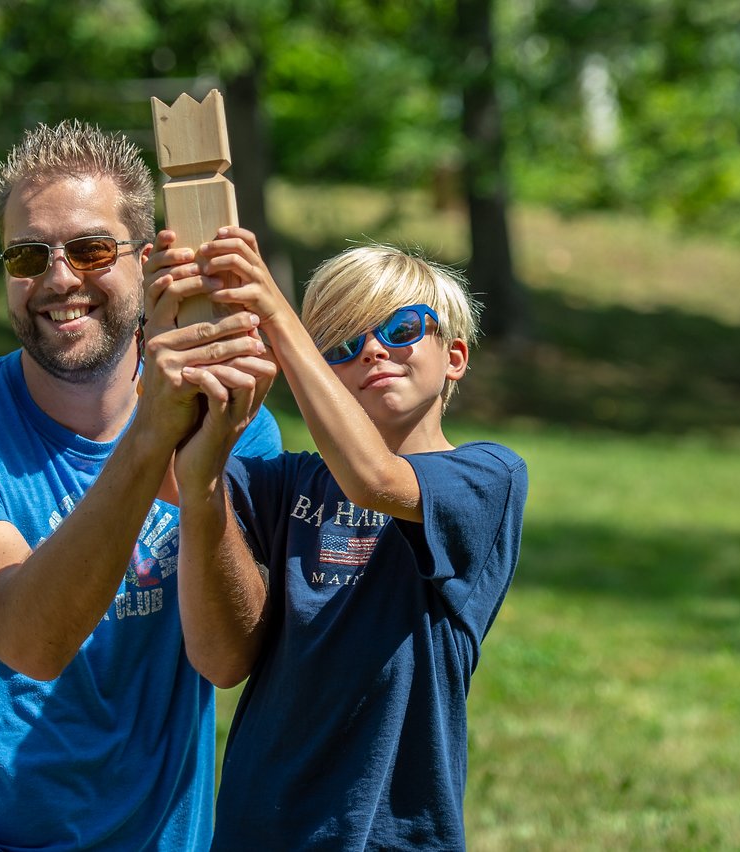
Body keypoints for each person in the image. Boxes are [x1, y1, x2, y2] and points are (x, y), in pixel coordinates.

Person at [0, 122, 283, 851]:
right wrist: (149, 439)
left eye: (90, 249)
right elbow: (31, 639)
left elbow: (229, 660)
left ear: (150, 260)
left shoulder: (237, 428)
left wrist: (200, 488)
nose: (60, 278)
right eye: (26, 255)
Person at [149, 228, 528, 850]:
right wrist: (167, 325)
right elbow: (170, 474)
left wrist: (277, 317)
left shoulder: (487, 476)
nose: (374, 352)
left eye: (402, 329)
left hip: (389, 833)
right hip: (257, 826)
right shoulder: (294, 481)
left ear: (455, 356)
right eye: (343, 347)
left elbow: (377, 480)